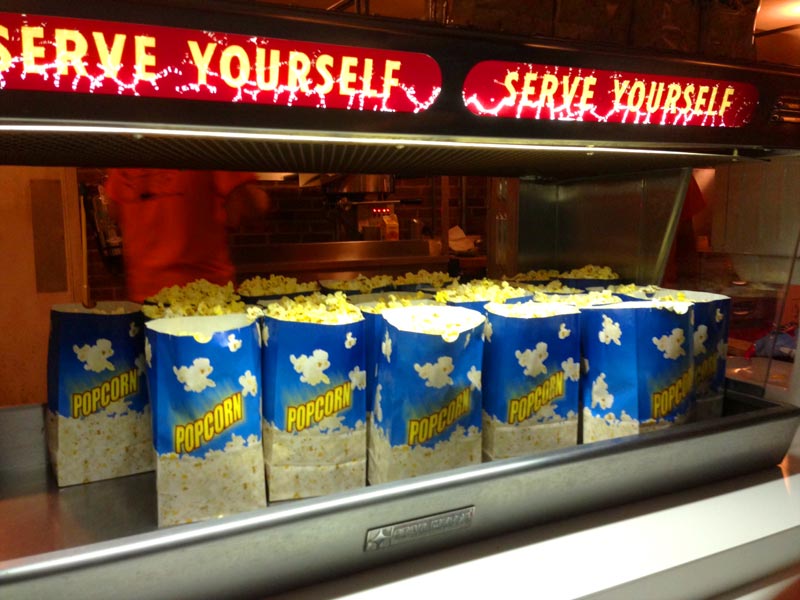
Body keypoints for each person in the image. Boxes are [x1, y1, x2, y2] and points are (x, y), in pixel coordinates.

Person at [103, 169, 270, 303]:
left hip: (146, 292)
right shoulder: (202, 136)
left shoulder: (128, 143)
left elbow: (114, 210)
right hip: (205, 294)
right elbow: (253, 206)